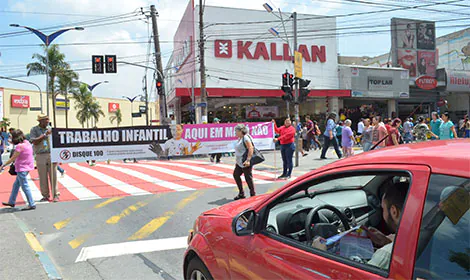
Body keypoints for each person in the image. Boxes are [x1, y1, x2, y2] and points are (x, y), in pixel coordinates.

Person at [312, 181, 409, 271]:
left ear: (394, 212)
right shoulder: (417, 237)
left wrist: (322, 256)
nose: (383, 213)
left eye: (383, 209)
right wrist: (387, 241)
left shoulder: (386, 255)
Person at [1, 130, 36, 210]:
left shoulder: (19, 146)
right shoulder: (27, 143)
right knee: (16, 185)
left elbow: (13, 158)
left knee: (25, 186)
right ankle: (11, 201)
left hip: (21, 168)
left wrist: (3, 165)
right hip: (27, 167)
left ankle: (31, 203)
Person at [30, 114, 59, 202]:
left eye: (47, 119)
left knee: (53, 175)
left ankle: (55, 195)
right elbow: (34, 141)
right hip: (40, 155)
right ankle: (45, 195)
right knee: (42, 176)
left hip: (51, 154)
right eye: (45, 120)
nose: (47, 121)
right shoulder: (34, 130)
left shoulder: (51, 129)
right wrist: (45, 135)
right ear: (40, 121)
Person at [233, 124, 255, 200]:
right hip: (239, 162)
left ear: (240, 131)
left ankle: (253, 194)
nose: (235, 132)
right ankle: (241, 193)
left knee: (248, 178)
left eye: (236, 131)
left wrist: (248, 160)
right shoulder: (240, 138)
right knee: (236, 175)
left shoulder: (245, 138)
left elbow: (250, 148)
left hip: (245, 161)